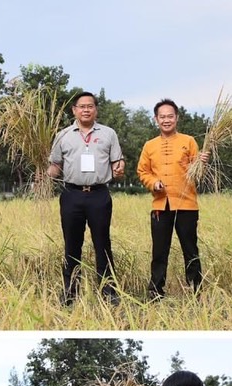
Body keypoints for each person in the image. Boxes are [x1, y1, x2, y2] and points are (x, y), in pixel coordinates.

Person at [47, 92, 126, 305]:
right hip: (71, 195)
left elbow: (117, 162)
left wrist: (119, 169)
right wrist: (43, 174)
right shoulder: (63, 135)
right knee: (72, 245)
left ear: (96, 109)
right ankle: (70, 292)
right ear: (74, 110)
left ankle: (108, 292)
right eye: (81, 106)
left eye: (90, 106)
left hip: (99, 195)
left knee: (103, 243)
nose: (86, 110)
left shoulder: (109, 134)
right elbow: (55, 166)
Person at [138, 99, 209, 300]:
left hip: (187, 204)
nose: (166, 120)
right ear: (156, 119)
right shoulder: (149, 145)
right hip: (161, 205)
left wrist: (202, 162)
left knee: (190, 249)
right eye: (162, 117)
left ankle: (196, 292)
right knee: (159, 251)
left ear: (177, 118)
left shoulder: (189, 142)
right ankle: (155, 292)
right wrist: (153, 183)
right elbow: (143, 171)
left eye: (170, 116)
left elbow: (198, 173)